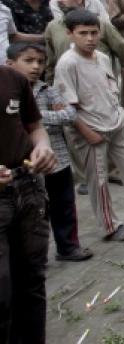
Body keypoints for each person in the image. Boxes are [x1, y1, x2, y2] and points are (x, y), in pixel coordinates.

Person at [55, 10, 124, 242]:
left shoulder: (103, 57)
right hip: (90, 130)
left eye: (94, 33)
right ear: (70, 34)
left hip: (114, 123)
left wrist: (120, 117)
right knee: (98, 180)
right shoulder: (67, 64)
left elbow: (109, 89)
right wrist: (88, 133)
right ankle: (110, 225)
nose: (90, 38)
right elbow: (67, 107)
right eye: (83, 33)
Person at [5, 43, 92, 262]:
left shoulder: (46, 89)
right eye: (28, 61)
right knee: (36, 210)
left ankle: (68, 247)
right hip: (26, 168)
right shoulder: (7, 92)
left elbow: (70, 115)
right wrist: (43, 117)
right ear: (10, 64)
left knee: (64, 204)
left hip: (57, 158)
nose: (36, 67)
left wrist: (34, 118)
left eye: (40, 62)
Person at [0, 57, 56, 343]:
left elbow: (34, 125)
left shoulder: (13, 79)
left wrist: (43, 146)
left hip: (27, 190)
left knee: (32, 281)